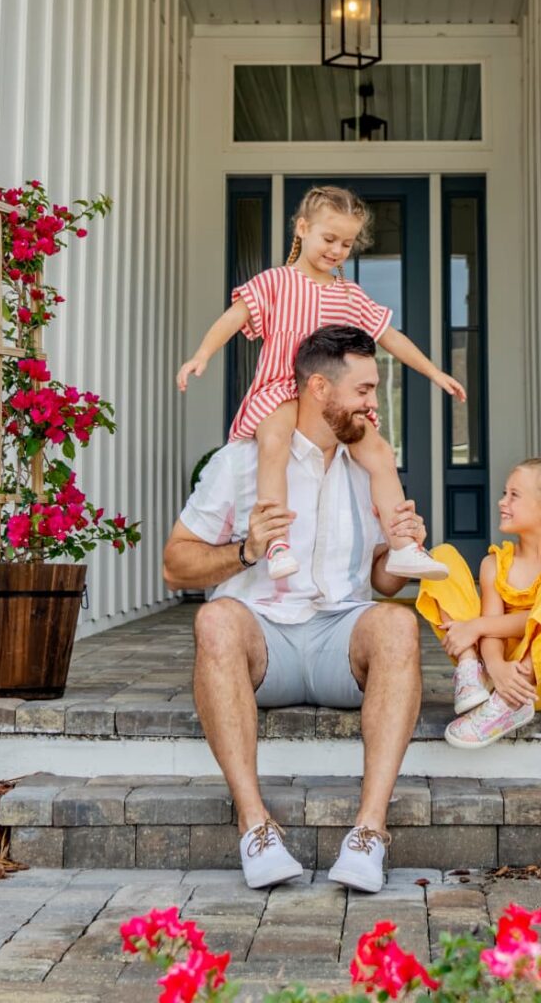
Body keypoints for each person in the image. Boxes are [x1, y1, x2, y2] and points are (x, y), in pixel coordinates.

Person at [163, 326, 425, 894]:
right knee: (215, 619)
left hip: (338, 638)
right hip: (264, 644)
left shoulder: (369, 465)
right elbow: (175, 565)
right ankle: (254, 826)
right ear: (318, 389)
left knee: (399, 625)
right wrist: (245, 551)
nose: (373, 405)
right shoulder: (241, 463)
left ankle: (369, 833)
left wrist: (404, 548)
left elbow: (382, 583)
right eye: (364, 390)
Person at [175, 184, 463, 582]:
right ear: (302, 228)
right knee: (273, 443)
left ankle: (402, 546)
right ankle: (277, 542)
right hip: (281, 388)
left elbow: (389, 336)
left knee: (378, 452)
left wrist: (434, 372)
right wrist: (201, 355)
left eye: (346, 243)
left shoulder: (349, 295)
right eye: (329, 238)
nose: (336, 250)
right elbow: (235, 317)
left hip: (332, 399)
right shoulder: (275, 282)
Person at [415, 458, 541, 749]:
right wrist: (495, 666)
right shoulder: (494, 563)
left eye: (514, 495)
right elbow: (493, 633)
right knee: (441, 555)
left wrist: (476, 626)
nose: (501, 502)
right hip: (497, 676)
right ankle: (471, 672)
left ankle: (510, 701)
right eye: (504, 493)